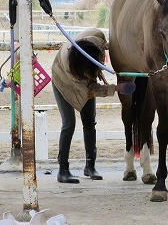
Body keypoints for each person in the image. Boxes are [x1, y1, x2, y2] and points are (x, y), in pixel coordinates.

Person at [51, 28, 134, 183]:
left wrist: (97, 69)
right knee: (69, 123)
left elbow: (95, 57)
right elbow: (91, 89)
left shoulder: (97, 42)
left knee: (90, 122)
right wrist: (116, 88)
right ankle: (63, 170)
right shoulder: (71, 68)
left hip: (85, 76)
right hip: (63, 81)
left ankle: (90, 166)